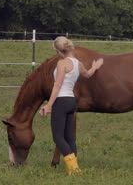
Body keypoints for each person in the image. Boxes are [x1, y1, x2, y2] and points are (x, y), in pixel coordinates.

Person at [40, 36, 104, 176]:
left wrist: (49, 105)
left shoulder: (62, 63)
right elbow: (87, 75)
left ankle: (74, 169)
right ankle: (73, 168)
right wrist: (95, 67)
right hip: (71, 102)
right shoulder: (78, 63)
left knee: (58, 137)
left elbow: (57, 85)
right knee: (70, 137)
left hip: (61, 102)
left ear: (59, 51)